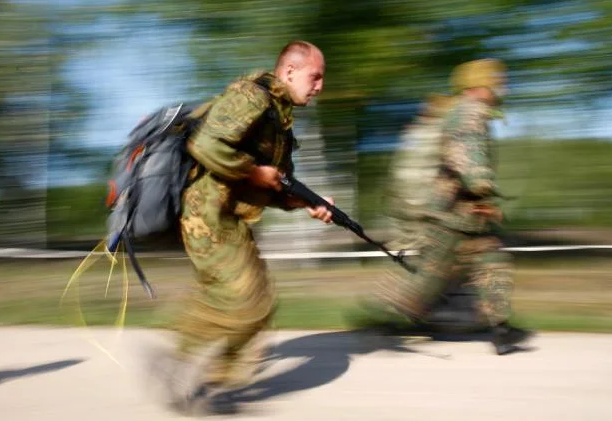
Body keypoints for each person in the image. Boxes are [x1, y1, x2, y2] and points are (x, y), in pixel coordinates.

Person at [153, 40, 333, 415]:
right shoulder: (253, 98)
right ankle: (176, 358)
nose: (319, 86)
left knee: (261, 304)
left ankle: (216, 384)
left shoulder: (280, 123)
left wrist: (307, 203)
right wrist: (255, 171)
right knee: (241, 298)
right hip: (206, 213)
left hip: (231, 216)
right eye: (315, 77)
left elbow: (274, 187)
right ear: (289, 72)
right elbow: (205, 146)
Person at [366, 58, 534, 355]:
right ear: (480, 84)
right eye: (497, 79)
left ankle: (502, 330)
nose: (502, 85)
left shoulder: (467, 110)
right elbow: (466, 156)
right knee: (429, 278)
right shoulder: (468, 112)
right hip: (450, 213)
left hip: (467, 213)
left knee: (491, 261)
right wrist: (482, 187)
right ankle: (387, 321)